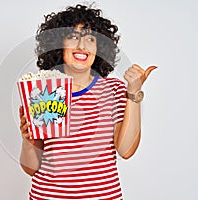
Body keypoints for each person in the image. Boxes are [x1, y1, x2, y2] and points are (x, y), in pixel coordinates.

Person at [19, 4, 156, 200]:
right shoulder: (43, 91)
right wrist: (27, 139)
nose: (82, 46)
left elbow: (126, 150)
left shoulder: (113, 90)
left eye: (90, 39)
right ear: (59, 45)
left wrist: (134, 94)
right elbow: (31, 168)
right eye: (74, 37)